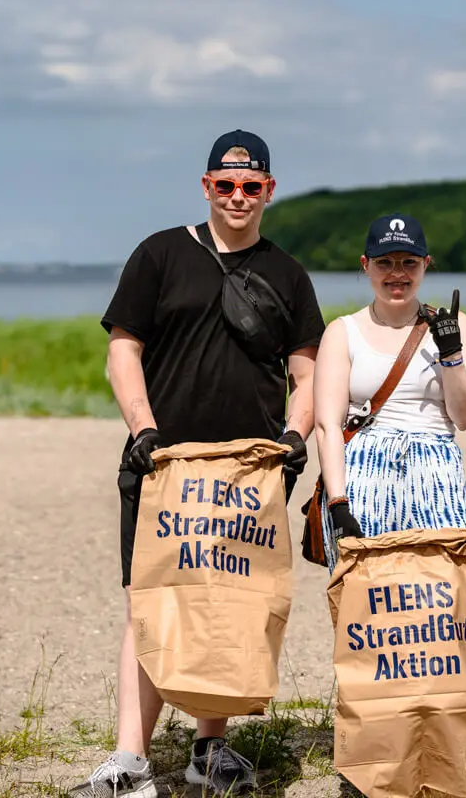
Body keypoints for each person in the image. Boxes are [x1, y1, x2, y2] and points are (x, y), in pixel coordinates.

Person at [68, 129, 326, 798]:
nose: (237, 197)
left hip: (247, 472)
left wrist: (296, 437)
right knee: (150, 605)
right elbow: (122, 351)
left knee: (230, 606)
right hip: (164, 465)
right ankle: (129, 761)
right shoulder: (159, 254)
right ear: (206, 186)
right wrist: (143, 430)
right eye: (225, 185)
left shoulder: (287, 273)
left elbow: (307, 371)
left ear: (269, 190)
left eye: (251, 187)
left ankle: (209, 751)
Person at [311, 213, 466, 784]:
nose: (397, 274)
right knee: (377, 623)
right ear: (365, 266)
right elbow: (327, 422)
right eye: (386, 262)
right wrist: (339, 503)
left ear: (426, 267)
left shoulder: (455, 324)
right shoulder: (342, 331)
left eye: (409, 262)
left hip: (436, 466)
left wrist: (449, 355)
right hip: (365, 473)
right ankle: (376, 762)